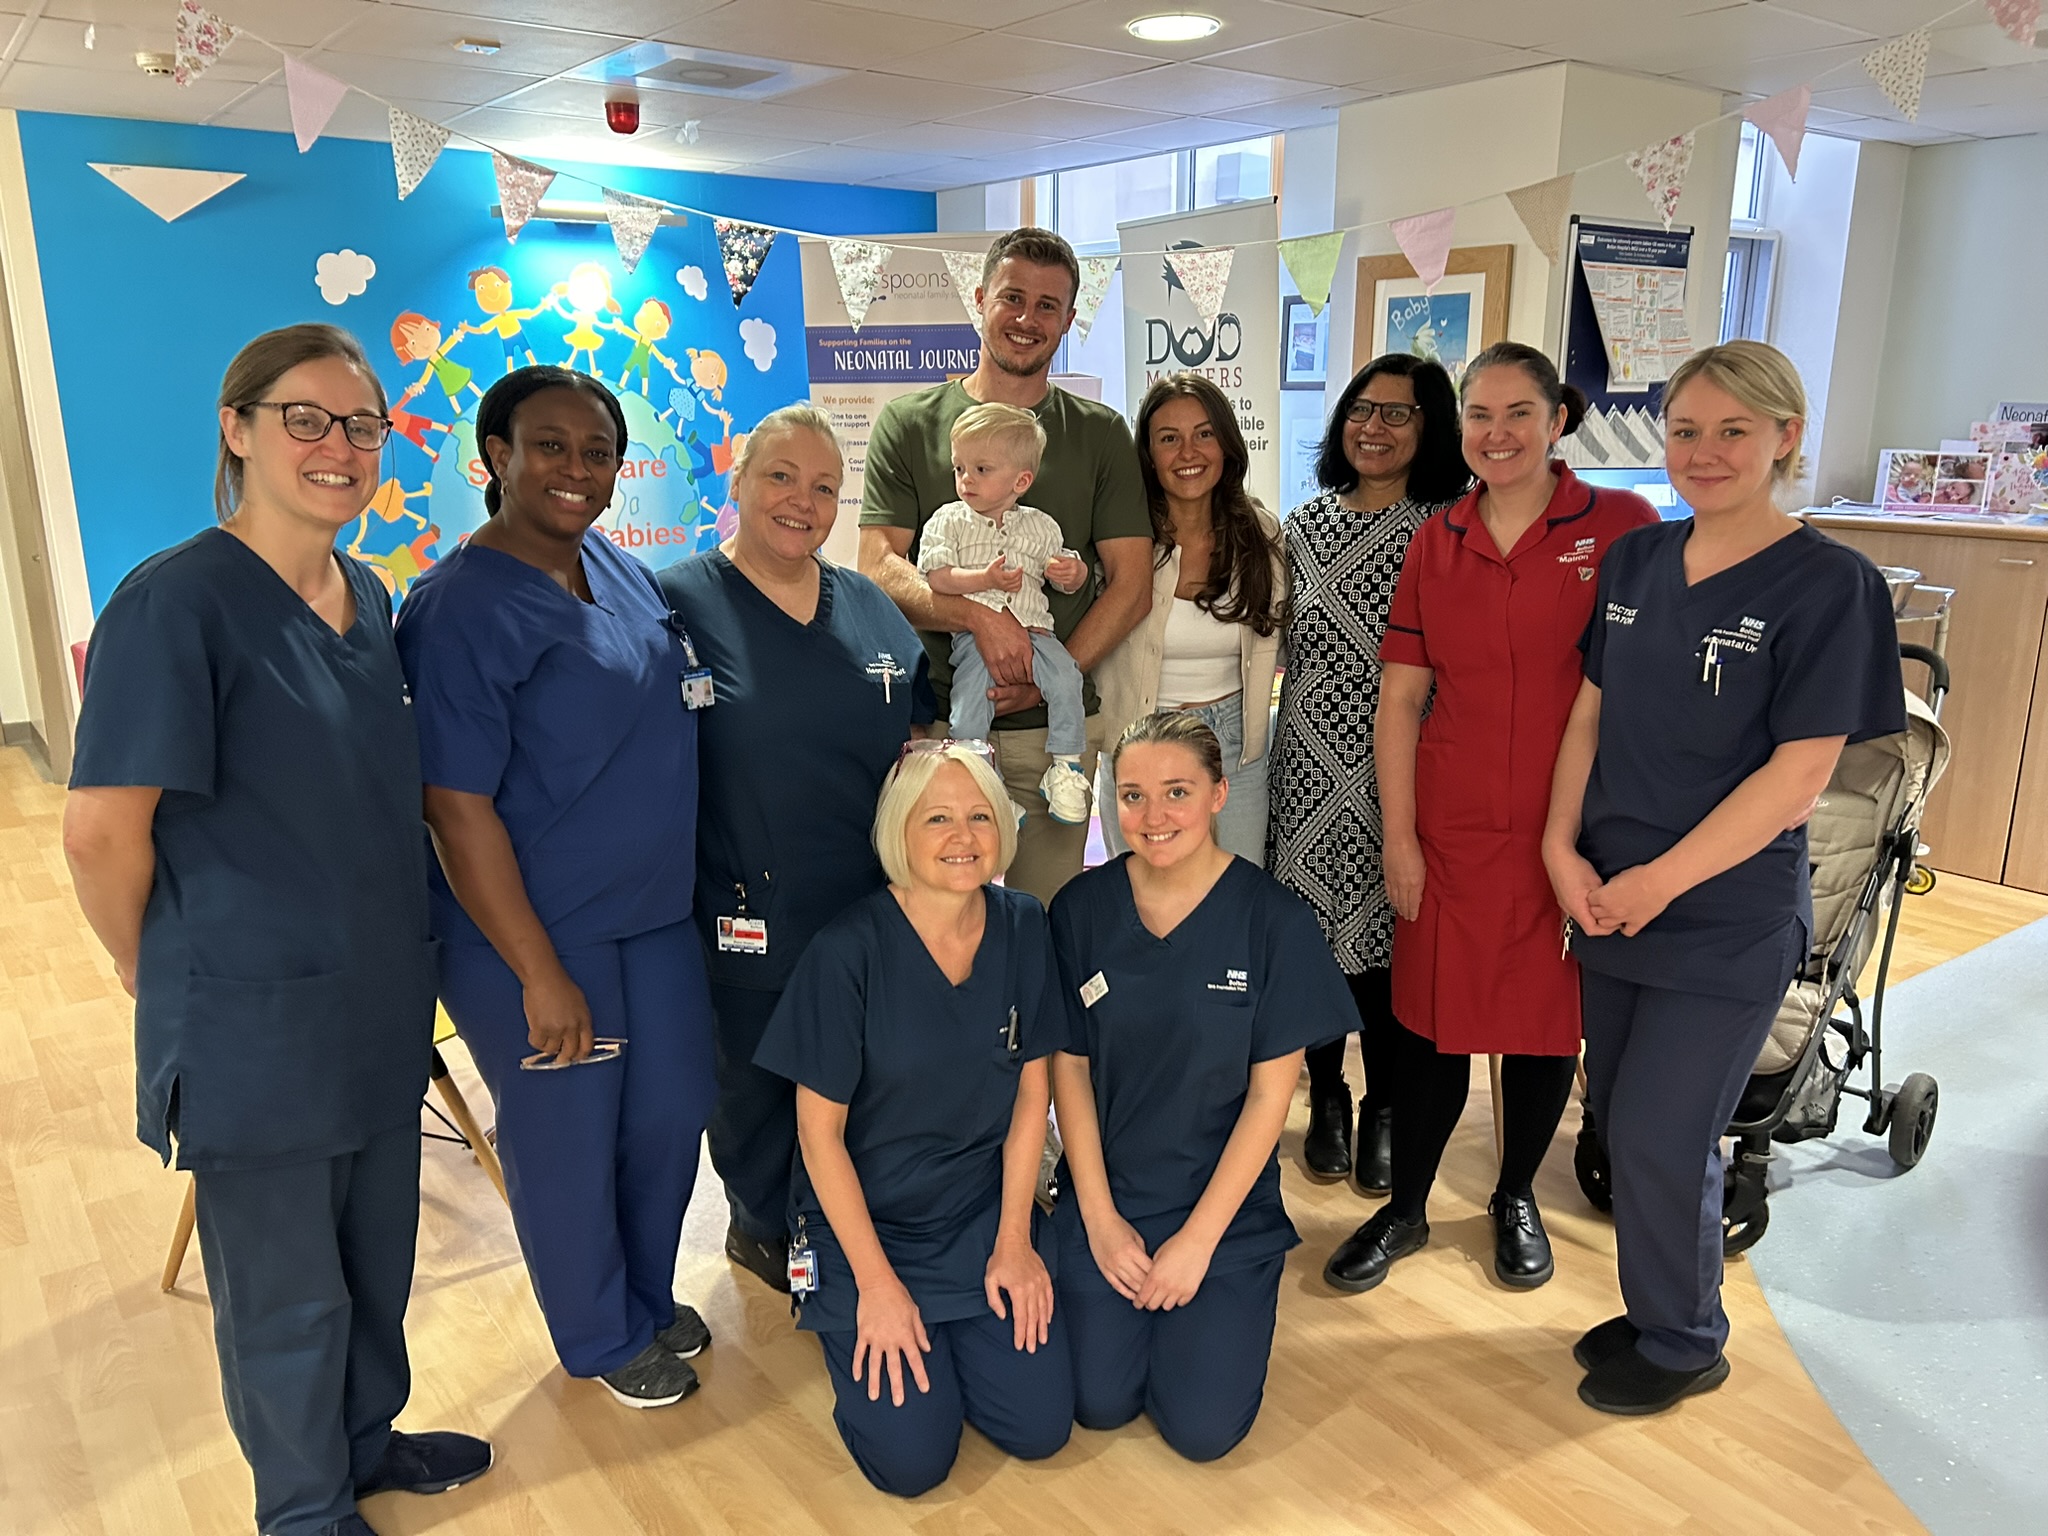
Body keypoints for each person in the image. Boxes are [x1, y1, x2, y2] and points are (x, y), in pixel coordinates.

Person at [62, 323, 490, 1536]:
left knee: (373, 1262)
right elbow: (100, 835)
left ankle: (363, 1441)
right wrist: (154, 970)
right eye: (306, 418)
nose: (338, 446)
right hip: (252, 1019)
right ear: (237, 429)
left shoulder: (370, 597)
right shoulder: (177, 602)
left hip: (369, 999)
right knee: (286, 1293)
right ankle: (303, 1509)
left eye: (362, 425)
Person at [1544, 342, 1904, 1415]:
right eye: (1685, 430)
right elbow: (1588, 716)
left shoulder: (1830, 587)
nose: (1702, 453)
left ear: (1784, 438)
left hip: (1722, 913)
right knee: (1619, 1116)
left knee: (1666, 1127)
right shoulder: (1639, 563)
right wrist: (1560, 848)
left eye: (1731, 431)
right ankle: (1661, 1304)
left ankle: (1687, 1337)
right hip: (1607, 892)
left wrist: (1657, 880)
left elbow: (1798, 777)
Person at [395, 366, 716, 1411]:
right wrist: (536, 971)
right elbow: (455, 807)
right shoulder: (455, 610)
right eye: (548, 446)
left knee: (668, 1117)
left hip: (654, 914)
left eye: (596, 452)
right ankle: (597, 1333)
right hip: (535, 934)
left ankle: (642, 1290)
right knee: (569, 1136)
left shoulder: (617, 574)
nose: (575, 470)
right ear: (494, 458)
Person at [1325, 343, 1658, 1299]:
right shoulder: (1439, 539)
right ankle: (1407, 1208)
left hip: (1574, 827)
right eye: (1479, 414)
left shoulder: (1624, 526)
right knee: (1430, 1025)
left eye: (1519, 413)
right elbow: (1399, 700)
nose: (1497, 433)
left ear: (1559, 420)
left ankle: (1514, 1194)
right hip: (1452, 826)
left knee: (1544, 1026)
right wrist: (1399, 838)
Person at [659, 406, 934, 1294]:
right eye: (780, 476)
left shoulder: (867, 607)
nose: (802, 502)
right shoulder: (673, 602)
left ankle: (843, 1214)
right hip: (743, 900)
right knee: (755, 1080)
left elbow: (918, 733)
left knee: (854, 1071)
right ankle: (763, 1226)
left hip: (864, 898)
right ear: (737, 480)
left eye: (824, 487)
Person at [754, 743, 1073, 1495]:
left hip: (976, 1213)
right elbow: (817, 1136)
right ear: (900, 833)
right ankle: (868, 1323)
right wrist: (877, 1286)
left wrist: (1015, 1241)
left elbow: (1034, 1096)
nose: (963, 836)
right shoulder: (847, 954)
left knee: (1040, 1428)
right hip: (867, 1228)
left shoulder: (1023, 924)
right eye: (938, 818)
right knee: (912, 1464)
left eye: (978, 816)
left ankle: (959, 1328)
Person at [1048, 712, 1358, 1462]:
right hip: (1109, 1195)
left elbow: (1267, 1101)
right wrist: (1098, 1217)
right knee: (1095, 1405)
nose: (1152, 819)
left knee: (1202, 1430)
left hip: (1221, 1209)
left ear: (1220, 794)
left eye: (1177, 792)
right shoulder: (1079, 912)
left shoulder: (1273, 922)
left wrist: (1194, 1243)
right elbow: (1070, 1072)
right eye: (1131, 797)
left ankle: (1207, 1312)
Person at [859, 226, 1153, 902]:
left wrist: (1048, 676)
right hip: (941, 729)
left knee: (1045, 933)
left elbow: (1131, 586)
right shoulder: (910, 422)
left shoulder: (1101, 434)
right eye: (1013, 298)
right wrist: (976, 618)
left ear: (1070, 321)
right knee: (932, 929)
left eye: (1048, 306)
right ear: (981, 299)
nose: (1027, 319)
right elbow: (877, 564)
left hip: (1054, 744)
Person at [1269, 355, 1473, 1191]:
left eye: (1399, 414)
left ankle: (1387, 1103)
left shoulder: (1453, 525)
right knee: (1310, 940)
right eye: (1362, 409)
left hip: (1410, 763)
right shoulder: (1303, 524)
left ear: (1432, 430)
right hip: (1308, 765)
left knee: (1395, 939)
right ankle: (1328, 1095)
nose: (1374, 428)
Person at [1094, 374, 1286, 866]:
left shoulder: (1260, 534)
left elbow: (1283, 633)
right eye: (1168, 439)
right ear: (1148, 455)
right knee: (1143, 899)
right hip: (1139, 739)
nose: (1188, 452)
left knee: (1233, 901)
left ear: (1226, 444)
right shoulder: (1122, 538)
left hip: (1237, 749)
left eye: (1204, 434)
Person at [917, 403, 1092, 821]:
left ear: (1021, 480)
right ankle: (984, 785)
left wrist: (1072, 571)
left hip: (1038, 632)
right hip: (975, 639)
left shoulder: (1040, 526)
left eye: (981, 469)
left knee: (1068, 680)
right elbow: (938, 578)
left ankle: (1065, 767)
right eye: (959, 468)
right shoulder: (949, 521)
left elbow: (1068, 580)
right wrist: (984, 580)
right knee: (970, 701)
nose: (965, 480)